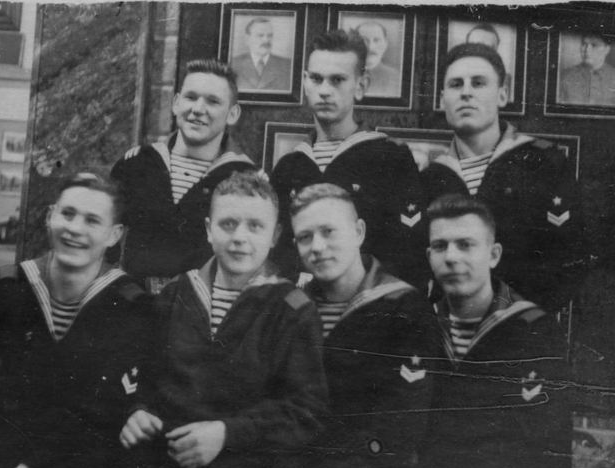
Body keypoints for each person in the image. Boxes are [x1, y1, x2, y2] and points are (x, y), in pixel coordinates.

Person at [119, 171, 328, 468]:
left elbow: (305, 410)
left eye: (255, 226)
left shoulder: (293, 308)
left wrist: (226, 433)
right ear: (208, 229)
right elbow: (143, 379)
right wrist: (137, 410)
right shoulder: (174, 294)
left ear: (275, 235)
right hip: (165, 464)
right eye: (228, 224)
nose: (240, 237)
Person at [0, 173, 155, 468]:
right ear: (50, 217)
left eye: (92, 220)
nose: (75, 229)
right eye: (68, 214)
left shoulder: (129, 305)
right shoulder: (5, 288)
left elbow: (101, 415)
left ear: (114, 235)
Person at [413, 193, 571, 468]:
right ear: (429, 257)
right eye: (440, 246)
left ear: (493, 254)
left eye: (465, 244)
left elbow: (549, 462)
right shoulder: (416, 329)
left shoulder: (535, 331)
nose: (451, 257)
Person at [288, 183, 441, 468]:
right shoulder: (291, 306)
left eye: (329, 231)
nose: (317, 247)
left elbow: (403, 420)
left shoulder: (403, 307)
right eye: (305, 237)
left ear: (358, 232)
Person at [421, 42, 586, 313]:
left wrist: (521, 319)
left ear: (502, 95)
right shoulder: (430, 177)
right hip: (447, 329)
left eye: (478, 83)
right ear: (442, 99)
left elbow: (570, 260)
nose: (466, 92)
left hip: (523, 326)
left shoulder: (544, 163)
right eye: (456, 84)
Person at [271, 29, 428, 287]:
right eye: (317, 79)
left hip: (370, 302)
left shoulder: (390, 158)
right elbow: (277, 255)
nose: (324, 90)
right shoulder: (289, 167)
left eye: (337, 80)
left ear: (361, 85)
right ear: (305, 82)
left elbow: (409, 254)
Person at [111, 58, 257, 293]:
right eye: (191, 97)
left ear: (232, 114)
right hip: (132, 301)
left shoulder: (245, 179)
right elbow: (105, 242)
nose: (198, 109)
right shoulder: (137, 164)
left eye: (213, 101)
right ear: (176, 103)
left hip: (201, 305)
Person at [231, 17, 293, 92]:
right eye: (260, 35)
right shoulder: (233, 64)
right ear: (247, 39)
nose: (266, 40)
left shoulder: (287, 66)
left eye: (270, 35)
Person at [560, 31, 615, 106]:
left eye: (594, 45)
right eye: (584, 44)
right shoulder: (565, 76)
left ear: (607, 49)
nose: (587, 50)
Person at [465, 22, 514, 101]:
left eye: (489, 49)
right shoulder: (453, 77)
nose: (482, 53)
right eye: (475, 47)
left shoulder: (506, 82)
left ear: (496, 53)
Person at [356, 20, 400, 97]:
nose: (370, 47)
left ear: (385, 44)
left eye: (376, 40)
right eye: (364, 40)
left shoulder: (396, 78)